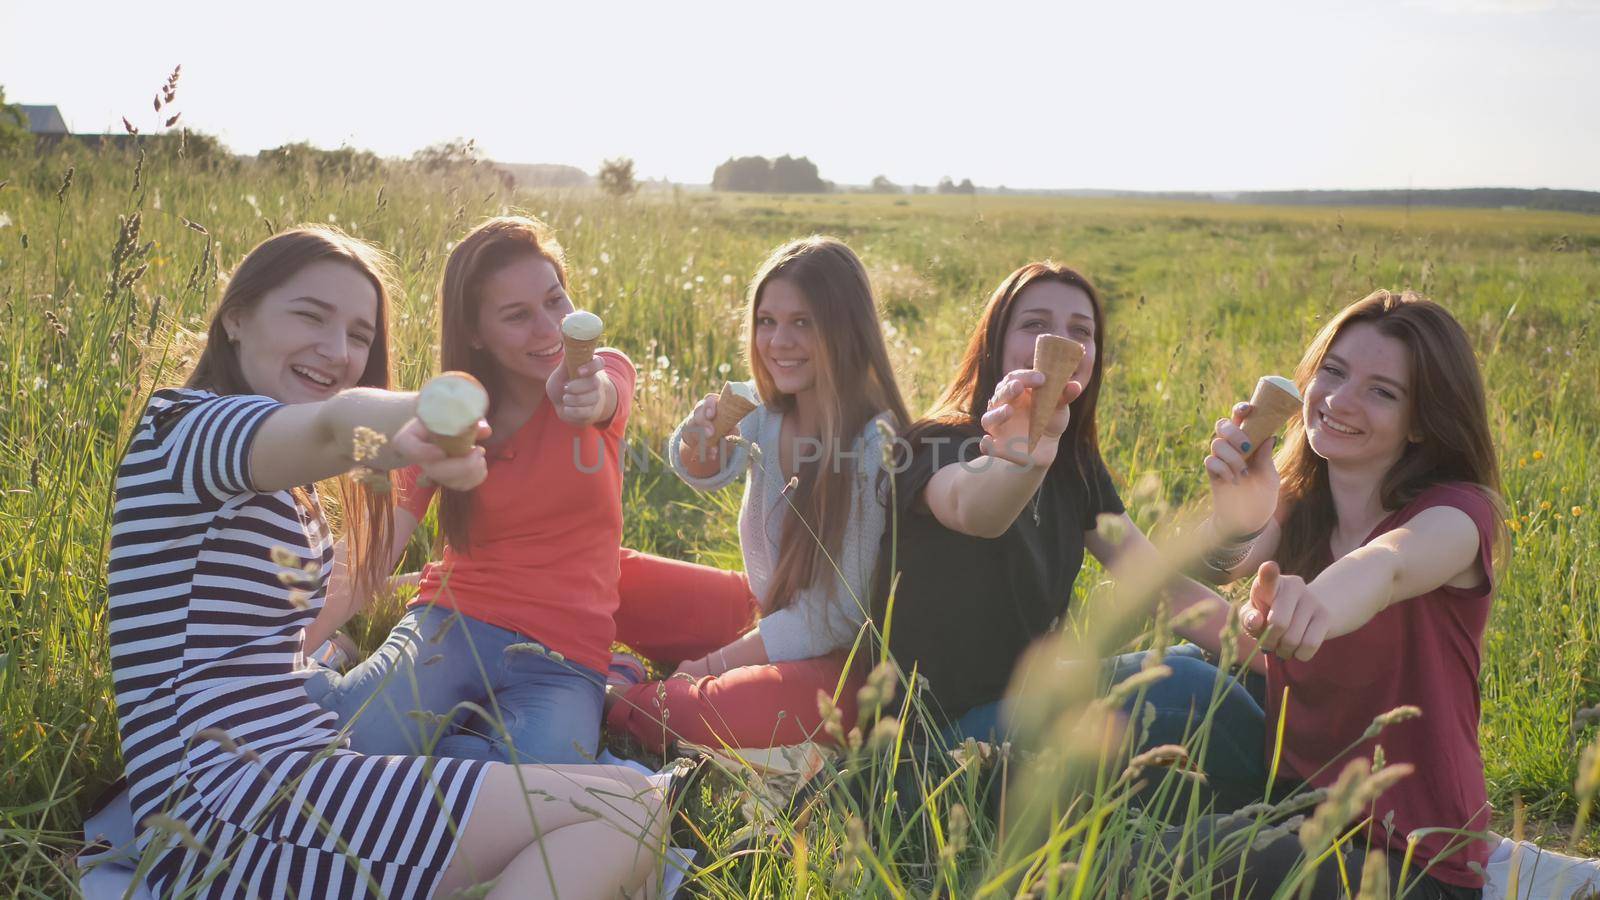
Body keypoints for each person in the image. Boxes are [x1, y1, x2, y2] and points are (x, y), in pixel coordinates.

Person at [108, 225, 663, 898]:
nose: (337, 351)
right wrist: (417, 421)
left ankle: (359, 699)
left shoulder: (276, 488)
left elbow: (281, 607)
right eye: (310, 316)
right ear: (236, 315)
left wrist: (310, 644)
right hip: (232, 810)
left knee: (627, 803)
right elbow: (331, 426)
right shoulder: (185, 429)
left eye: (360, 335)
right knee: (626, 808)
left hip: (283, 776)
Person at [1156, 288, 1504, 898]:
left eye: (1382, 391)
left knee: (1155, 868)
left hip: (1410, 854)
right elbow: (1212, 572)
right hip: (1295, 801)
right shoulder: (1297, 499)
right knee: (1127, 734)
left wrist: (1310, 604)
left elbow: (1388, 565)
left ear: (1423, 419)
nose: (1340, 400)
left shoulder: (1456, 517)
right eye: (1333, 372)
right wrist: (1233, 518)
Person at [872, 261, 1257, 786]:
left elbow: (1158, 587)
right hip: (939, 743)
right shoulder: (934, 443)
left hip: (1033, 701)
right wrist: (1021, 458)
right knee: (1187, 683)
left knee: (1218, 661)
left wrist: (1274, 657)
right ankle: (1303, 797)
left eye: (1082, 331)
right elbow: (974, 508)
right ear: (995, 343)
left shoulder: (1074, 464)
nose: (1060, 341)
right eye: (1034, 324)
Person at [307, 217, 634, 765]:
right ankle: (322, 666)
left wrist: (589, 394)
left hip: (565, 658)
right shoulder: (450, 415)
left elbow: (604, 393)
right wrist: (293, 639)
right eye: (518, 316)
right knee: (349, 752)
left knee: (523, 791)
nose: (550, 329)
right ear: (477, 333)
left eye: (556, 301)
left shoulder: (602, 373)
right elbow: (376, 548)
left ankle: (446, 742)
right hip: (451, 624)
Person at [603, 236, 912, 753]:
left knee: (686, 708)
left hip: (841, 665)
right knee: (612, 573)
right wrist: (700, 439)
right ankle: (612, 664)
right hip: (765, 606)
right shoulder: (769, 411)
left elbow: (839, 616)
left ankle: (619, 696)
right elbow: (696, 465)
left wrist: (709, 667)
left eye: (803, 322)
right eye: (767, 321)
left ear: (846, 328)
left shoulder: (874, 443)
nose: (778, 341)